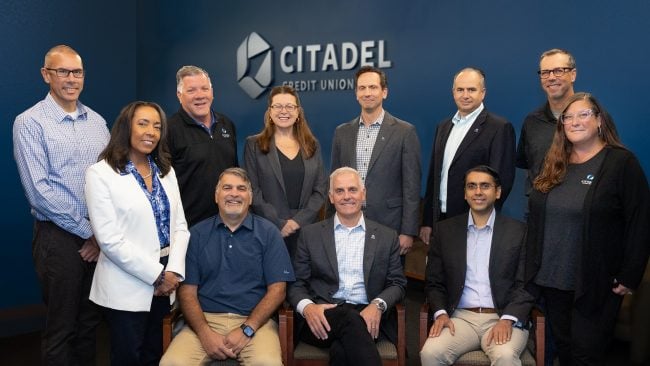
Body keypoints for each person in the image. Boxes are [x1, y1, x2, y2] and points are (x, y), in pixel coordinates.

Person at [525, 92, 649, 365]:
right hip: (551, 280)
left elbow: (640, 220)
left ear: (599, 121)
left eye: (583, 115)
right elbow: (536, 216)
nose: (575, 122)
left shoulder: (621, 162)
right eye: (568, 117)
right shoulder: (555, 161)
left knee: (586, 355)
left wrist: (630, 274)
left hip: (595, 283)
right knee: (565, 352)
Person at [12, 45, 109, 366]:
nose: (71, 79)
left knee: (89, 326)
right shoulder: (30, 123)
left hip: (97, 237)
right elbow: (39, 192)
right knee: (61, 329)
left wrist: (100, 234)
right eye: (62, 71)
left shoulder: (97, 122)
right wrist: (89, 233)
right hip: (59, 240)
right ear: (46, 75)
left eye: (77, 72)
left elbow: (112, 177)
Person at [84, 101, 190, 365]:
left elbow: (180, 226)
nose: (151, 132)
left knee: (156, 352)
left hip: (168, 277)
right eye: (143, 123)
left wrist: (174, 272)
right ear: (126, 127)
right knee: (128, 355)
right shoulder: (100, 173)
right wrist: (156, 276)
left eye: (157, 126)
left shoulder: (166, 171)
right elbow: (109, 240)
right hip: (127, 281)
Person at [160, 167, 295, 366]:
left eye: (241, 189)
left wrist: (247, 329)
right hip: (203, 322)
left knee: (267, 363)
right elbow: (187, 293)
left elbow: (278, 291)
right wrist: (205, 334)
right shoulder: (196, 234)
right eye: (227, 188)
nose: (234, 193)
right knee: (171, 363)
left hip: (255, 324)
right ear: (216, 196)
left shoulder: (269, 233)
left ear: (250, 197)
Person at [288, 167, 407, 366]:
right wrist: (308, 307)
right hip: (321, 316)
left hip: (368, 315)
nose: (346, 196)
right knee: (349, 318)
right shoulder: (310, 235)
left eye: (352, 190)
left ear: (363, 194)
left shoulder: (387, 236)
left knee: (342, 351)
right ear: (331, 197)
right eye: (339, 191)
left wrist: (377, 305)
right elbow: (296, 283)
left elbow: (398, 283)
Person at [420, 165, 533, 366]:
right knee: (430, 352)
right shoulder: (445, 231)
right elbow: (434, 281)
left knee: (505, 355)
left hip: (503, 316)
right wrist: (441, 313)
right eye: (471, 186)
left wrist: (507, 319)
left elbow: (525, 284)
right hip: (460, 318)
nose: (478, 192)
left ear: (497, 192)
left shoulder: (519, 231)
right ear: (465, 193)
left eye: (485, 186)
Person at [331, 66, 421, 256]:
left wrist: (408, 231)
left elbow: (411, 187)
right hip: (348, 223)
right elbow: (334, 182)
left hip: (389, 226)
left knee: (387, 283)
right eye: (362, 88)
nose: (367, 93)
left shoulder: (404, 132)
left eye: (373, 87)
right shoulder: (342, 132)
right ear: (356, 93)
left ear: (384, 92)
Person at [420, 67, 515, 245]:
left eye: (471, 90)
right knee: (439, 272)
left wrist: (483, 220)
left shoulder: (499, 127)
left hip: (475, 222)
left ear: (483, 93)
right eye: (460, 89)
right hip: (440, 220)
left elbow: (502, 181)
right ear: (453, 92)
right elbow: (434, 177)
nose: (465, 95)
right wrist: (427, 221)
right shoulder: (444, 127)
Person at [244, 85, 327, 258]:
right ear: (270, 112)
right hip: (269, 231)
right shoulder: (254, 145)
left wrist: (297, 221)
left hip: (306, 231)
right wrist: (279, 223)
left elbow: (320, 191)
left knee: (303, 283)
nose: (284, 111)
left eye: (290, 106)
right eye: (278, 106)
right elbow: (253, 191)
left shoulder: (312, 145)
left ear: (298, 112)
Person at [167, 65, 238, 227]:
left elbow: (235, 171)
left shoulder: (226, 124)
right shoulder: (169, 130)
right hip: (189, 226)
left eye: (204, 89)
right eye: (191, 91)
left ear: (212, 92)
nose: (200, 96)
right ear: (179, 95)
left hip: (227, 222)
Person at [516, 49, 577, 197]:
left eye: (558, 71)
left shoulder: (590, 119)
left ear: (573, 74)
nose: (551, 77)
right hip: (538, 214)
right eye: (545, 72)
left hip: (580, 213)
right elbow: (527, 166)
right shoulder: (532, 122)